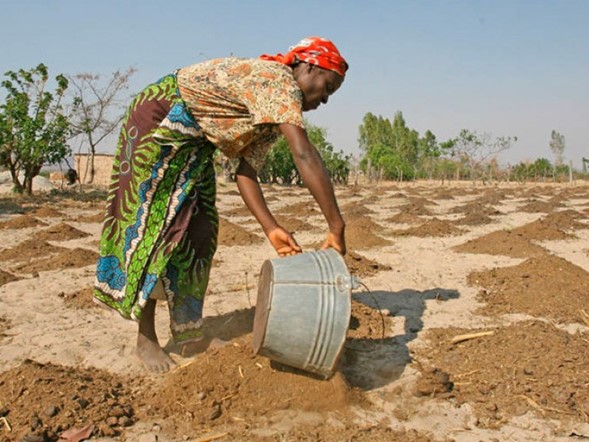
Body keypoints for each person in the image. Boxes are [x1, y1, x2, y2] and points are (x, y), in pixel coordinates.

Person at [94, 36, 348, 373]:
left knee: (200, 230)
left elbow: (246, 172)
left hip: (194, 142)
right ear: (309, 66)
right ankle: (146, 338)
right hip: (159, 120)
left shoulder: (273, 111)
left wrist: (271, 228)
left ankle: (189, 333)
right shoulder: (276, 81)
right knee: (156, 228)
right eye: (327, 87)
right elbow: (303, 153)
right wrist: (336, 225)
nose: (325, 100)